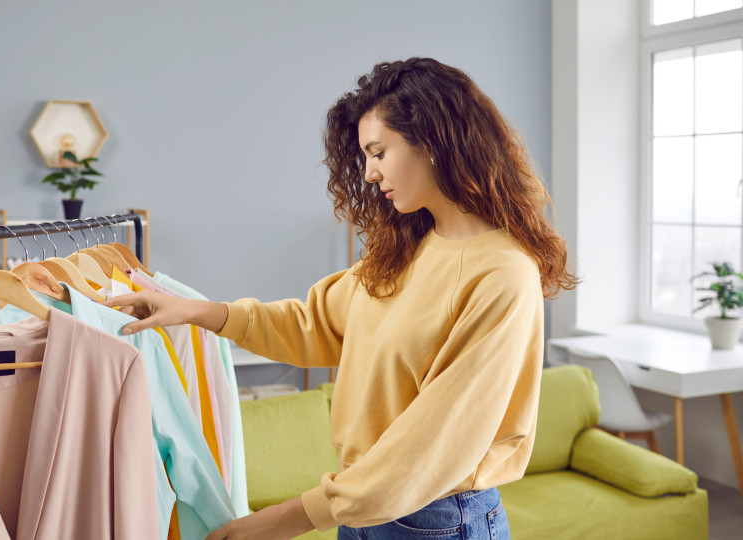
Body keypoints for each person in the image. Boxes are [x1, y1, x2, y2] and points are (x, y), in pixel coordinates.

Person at [102, 57, 578, 540]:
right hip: (363, 509)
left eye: (378, 152)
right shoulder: (411, 247)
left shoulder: (501, 274)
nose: (370, 174)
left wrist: (281, 521)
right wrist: (196, 312)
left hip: (437, 520)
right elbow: (315, 324)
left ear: (433, 141)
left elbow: (431, 446)